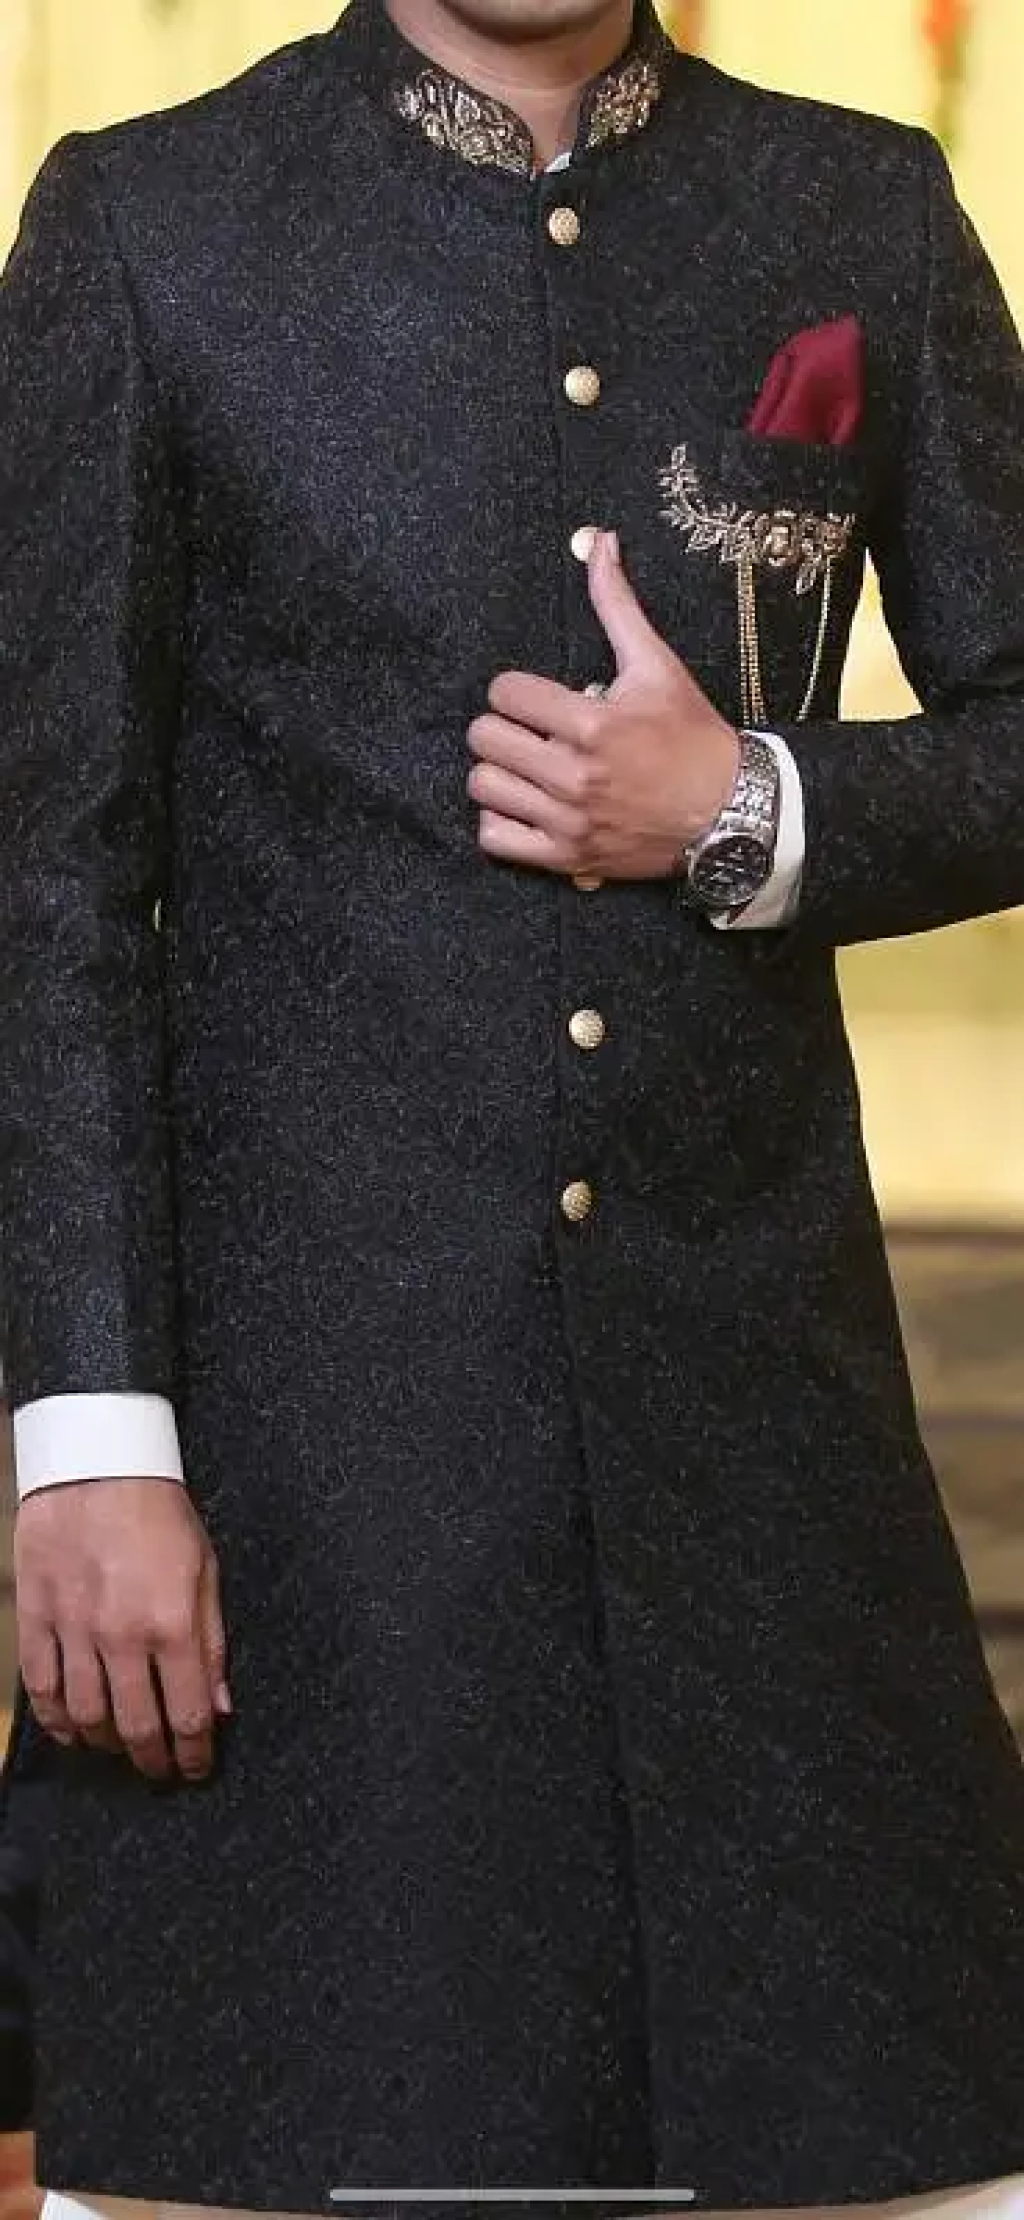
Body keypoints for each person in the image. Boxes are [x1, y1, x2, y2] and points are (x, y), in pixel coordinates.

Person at [0, 1, 1022, 2217]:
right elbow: (50, 875)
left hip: (761, 1455)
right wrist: (87, 1435)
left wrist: (746, 805)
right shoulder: (152, 227)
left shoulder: (856, 208)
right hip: (309, 1477)